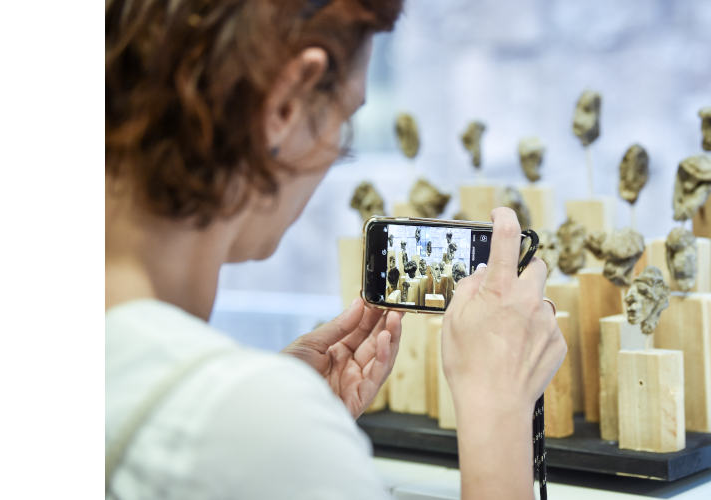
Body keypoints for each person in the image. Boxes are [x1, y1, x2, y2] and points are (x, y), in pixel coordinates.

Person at [104, 1, 566, 498]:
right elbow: (222, 433)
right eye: (345, 120)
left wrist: (281, 405)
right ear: (285, 106)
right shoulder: (237, 426)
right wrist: (497, 408)